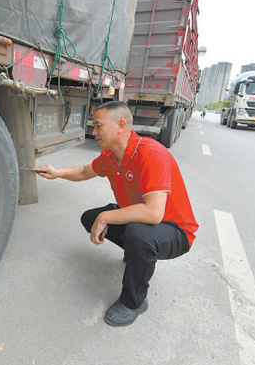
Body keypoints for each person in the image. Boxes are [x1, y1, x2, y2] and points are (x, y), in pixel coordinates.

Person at [36, 101, 198, 327]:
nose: (94, 132)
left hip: (175, 231)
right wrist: (56, 172)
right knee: (90, 218)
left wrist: (107, 217)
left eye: (98, 126)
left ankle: (134, 301)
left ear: (121, 125)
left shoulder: (150, 154)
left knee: (137, 233)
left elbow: (153, 214)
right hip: (143, 222)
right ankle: (138, 254)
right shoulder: (110, 157)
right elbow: (84, 172)